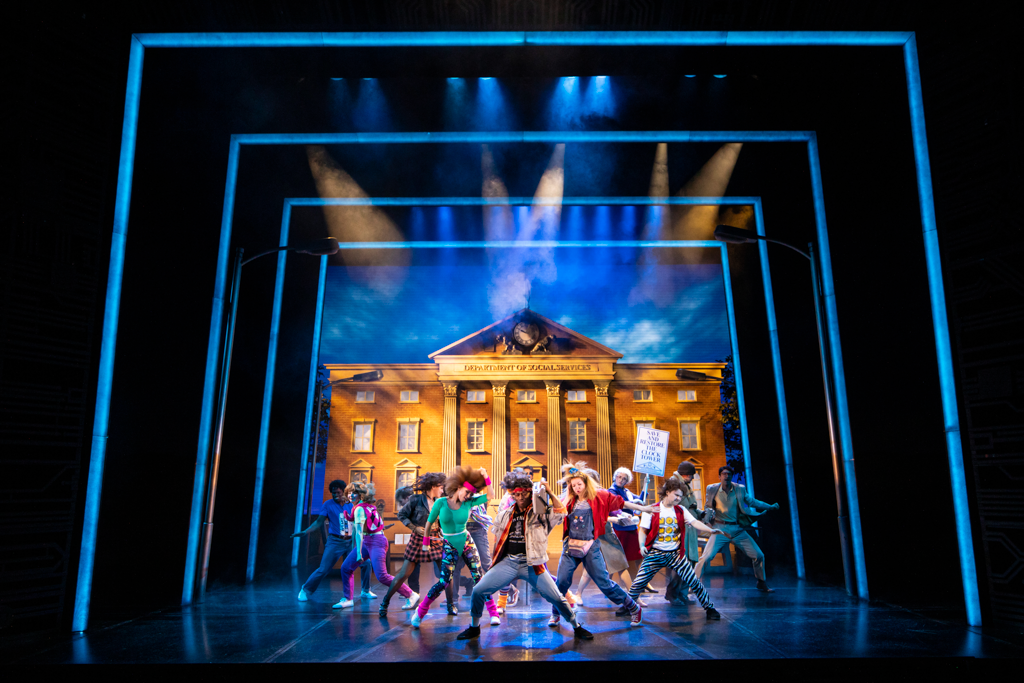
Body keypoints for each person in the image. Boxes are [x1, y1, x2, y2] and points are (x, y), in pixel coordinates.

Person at [456, 471, 593, 641]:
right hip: (509, 562)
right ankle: (474, 627)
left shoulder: (540, 512)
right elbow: (498, 536)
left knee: (557, 598)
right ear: (512, 495)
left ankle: (576, 626)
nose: (520, 497)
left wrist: (549, 492)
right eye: (517, 494)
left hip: (532, 564)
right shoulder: (506, 514)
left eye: (524, 494)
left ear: (530, 492)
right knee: (478, 591)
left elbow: (560, 512)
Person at [550, 462, 655, 628]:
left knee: (605, 583)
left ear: (586, 483)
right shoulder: (569, 500)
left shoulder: (599, 496)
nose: (577, 488)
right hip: (571, 546)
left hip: (590, 546)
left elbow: (622, 503)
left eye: (579, 484)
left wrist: (644, 508)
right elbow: (556, 513)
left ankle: (633, 607)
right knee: (561, 581)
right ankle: (555, 613)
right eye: (573, 485)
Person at [412, 466, 500, 628]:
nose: (468, 496)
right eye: (467, 492)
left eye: (471, 494)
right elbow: (429, 523)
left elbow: (490, 496)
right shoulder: (441, 503)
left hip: (466, 541)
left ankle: (493, 613)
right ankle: (420, 612)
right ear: (458, 487)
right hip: (449, 545)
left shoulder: (469, 502)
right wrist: (426, 542)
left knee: (479, 578)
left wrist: (486, 476)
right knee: (444, 581)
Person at [626, 476, 723, 623]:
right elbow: (643, 530)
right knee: (638, 583)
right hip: (656, 553)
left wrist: (710, 530)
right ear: (667, 492)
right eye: (676, 495)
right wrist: (641, 545)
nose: (678, 498)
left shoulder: (680, 510)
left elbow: (694, 522)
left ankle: (710, 608)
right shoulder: (652, 509)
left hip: (675, 554)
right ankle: (627, 606)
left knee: (694, 581)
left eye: (680, 496)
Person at [694, 466, 781, 592]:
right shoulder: (712, 489)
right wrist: (705, 521)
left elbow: (752, 502)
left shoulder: (739, 489)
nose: (726, 476)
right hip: (720, 530)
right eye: (724, 474)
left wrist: (769, 507)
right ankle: (693, 584)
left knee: (758, 555)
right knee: (705, 558)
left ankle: (761, 582)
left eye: (729, 474)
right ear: (719, 476)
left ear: (731, 476)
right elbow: (708, 507)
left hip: (737, 529)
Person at [379, 473, 453, 617]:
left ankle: (451, 605)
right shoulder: (416, 499)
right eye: (440, 487)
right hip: (419, 538)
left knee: (446, 573)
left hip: (436, 538)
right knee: (403, 574)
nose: (442, 490)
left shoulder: (441, 501)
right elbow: (402, 515)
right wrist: (414, 528)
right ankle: (385, 603)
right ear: (433, 486)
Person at [332, 481, 414, 609]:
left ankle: (411, 594)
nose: (351, 495)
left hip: (376, 542)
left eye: (354, 493)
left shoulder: (360, 509)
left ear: (361, 495)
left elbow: (359, 532)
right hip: (369, 541)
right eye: (349, 493)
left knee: (382, 576)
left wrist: (358, 553)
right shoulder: (367, 507)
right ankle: (348, 599)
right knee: (346, 567)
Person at [568, 468, 641, 608]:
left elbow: (613, 508)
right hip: (594, 534)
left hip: (606, 533)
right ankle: (578, 593)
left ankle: (634, 597)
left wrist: (622, 515)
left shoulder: (601, 494)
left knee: (620, 564)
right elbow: (600, 516)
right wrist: (616, 518)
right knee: (590, 569)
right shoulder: (583, 499)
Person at [291, 479, 371, 601]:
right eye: (333, 493)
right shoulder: (328, 505)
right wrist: (305, 531)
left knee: (366, 563)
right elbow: (319, 522)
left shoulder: (351, 504)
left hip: (351, 541)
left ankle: (365, 590)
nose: (336, 495)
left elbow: (362, 520)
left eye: (338, 493)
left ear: (344, 492)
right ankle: (305, 589)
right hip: (335, 542)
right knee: (324, 569)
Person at [664, 462, 712, 604]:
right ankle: (672, 594)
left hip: (689, 528)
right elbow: (669, 506)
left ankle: (682, 594)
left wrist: (701, 514)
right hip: (680, 528)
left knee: (689, 562)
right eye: (691, 475)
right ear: (686, 474)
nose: (692, 478)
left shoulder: (685, 485)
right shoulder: (674, 484)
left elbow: (690, 508)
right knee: (680, 563)